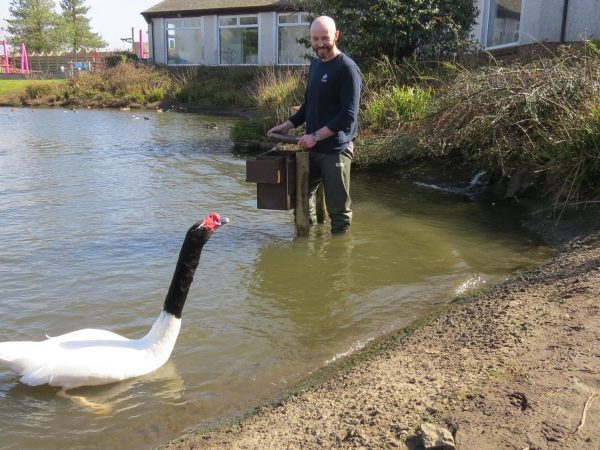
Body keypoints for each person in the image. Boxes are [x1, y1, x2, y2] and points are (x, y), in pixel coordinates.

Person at [268, 15, 362, 234]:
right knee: (301, 200)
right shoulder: (315, 65)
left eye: (325, 38)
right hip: (311, 148)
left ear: (336, 36)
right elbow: (308, 106)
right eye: (315, 39)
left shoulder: (348, 69)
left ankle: (339, 259)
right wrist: (287, 125)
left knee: (339, 210)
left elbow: (348, 115)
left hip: (336, 150)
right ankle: (307, 251)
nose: (320, 44)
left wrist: (316, 136)